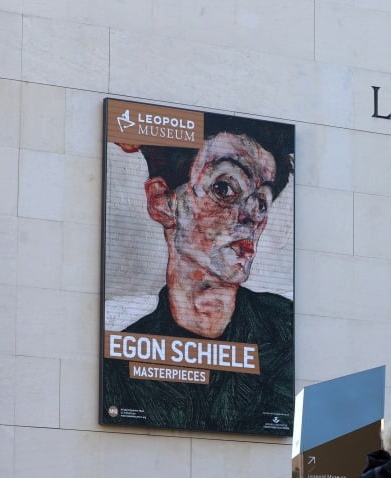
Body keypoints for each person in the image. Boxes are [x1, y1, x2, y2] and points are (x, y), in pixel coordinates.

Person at [102, 112, 296, 435]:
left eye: (262, 202)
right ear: (162, 202)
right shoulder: (121, 366)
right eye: (225, 188)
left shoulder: (286, 330)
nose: (251, 215)